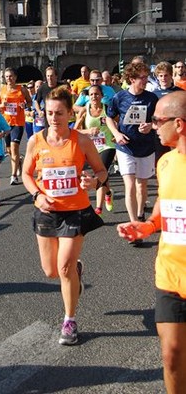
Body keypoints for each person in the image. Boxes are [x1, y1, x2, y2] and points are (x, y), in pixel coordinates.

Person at [22, 86, 106, 345]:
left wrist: (94, 182)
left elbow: (101, 171)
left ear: (70, 113)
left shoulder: (81, 140)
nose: (53, 118)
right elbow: (26, 174)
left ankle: (69, 320)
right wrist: (37, 195)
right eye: (49, 113)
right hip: (46, 212)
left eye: (59, 113)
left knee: (64, 266)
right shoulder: (36, 141)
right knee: (50, 271)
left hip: (75, 212)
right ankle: (76, 275)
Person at [117, 90, 186, 394]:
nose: (154, 125)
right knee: (171, 357)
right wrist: (146, 226)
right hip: (170, 275)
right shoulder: (166, 162)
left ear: (179, 124)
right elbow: (163, 207)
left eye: (159, 120)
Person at [106, 62, 158, 240]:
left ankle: (141, 211)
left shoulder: (152, 98)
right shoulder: (120, 97)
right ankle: (134, 224)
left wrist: (151, 126)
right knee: (129, 185)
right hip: (125, 146)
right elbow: (109, 118)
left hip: (146, 146)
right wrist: (116, 133)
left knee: (141, 185)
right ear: (131, 79)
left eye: (146, 77)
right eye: (142, 77)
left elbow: (159, 121)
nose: (145, 80)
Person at [74, 84, 116, 214]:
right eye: (91, 94)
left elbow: (117, 122)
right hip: (92, 148)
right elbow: (75, 130)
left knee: (99, 172)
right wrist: (88, 131)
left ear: (102, 96)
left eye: (96, 94)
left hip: (108, 145)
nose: (94, 97)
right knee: (103, 173)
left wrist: (116, 133)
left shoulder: (107, 109)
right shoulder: (84, 110)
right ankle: (108, 192)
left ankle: (98, 208)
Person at [0, 67, 32, 185]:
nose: (9, 79)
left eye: (11, 76)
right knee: (9, 150)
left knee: (14, 148)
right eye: (6, 77)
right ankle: (19, 161)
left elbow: (29, 102)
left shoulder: (22, 89)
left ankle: (13, 175)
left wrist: (24, 105)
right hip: (5, 124)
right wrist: (2, 106)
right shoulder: (1, 90)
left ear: (15, 77)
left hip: (18, 123)